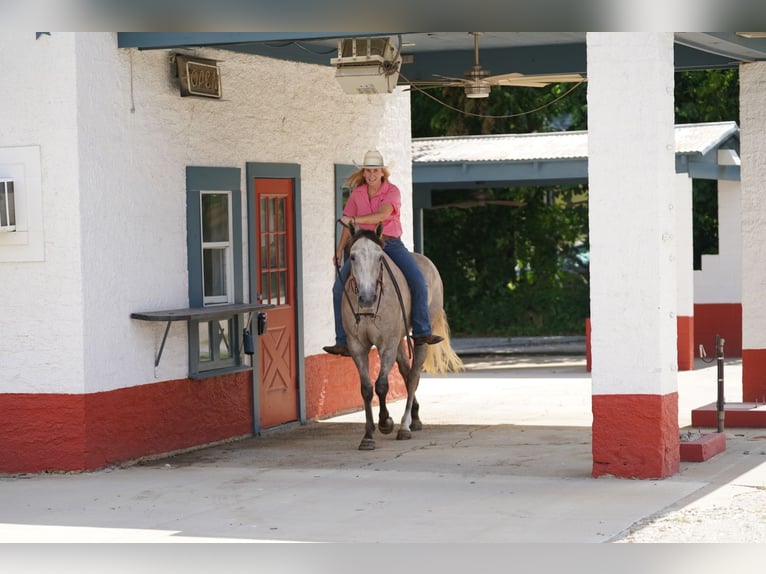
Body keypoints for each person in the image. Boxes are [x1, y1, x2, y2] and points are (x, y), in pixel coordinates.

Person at [323, 150, 444, 357]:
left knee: (419, 281)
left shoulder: (392, 191)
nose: (371, 174)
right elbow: (346, 223)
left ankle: (422, 330)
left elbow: (382, 215)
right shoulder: (357, 193)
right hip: (363, 245)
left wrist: (355, 220)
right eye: (368, 170)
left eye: (375, 170)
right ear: (364, 172)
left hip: (390, 243)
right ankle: (342, 340)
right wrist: (338, 249)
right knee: (337, 289)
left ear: (382, 172)